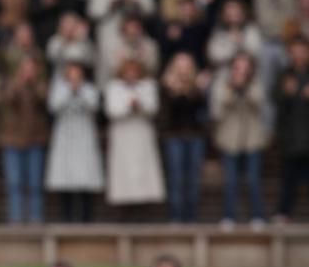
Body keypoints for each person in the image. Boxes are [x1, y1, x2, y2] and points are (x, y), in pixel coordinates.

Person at [273, 38, 309, 226]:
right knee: (288, 179)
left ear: (308, 52)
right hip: (290, 136)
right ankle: (284, 212)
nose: (299, 55)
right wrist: (286, 92)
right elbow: (274, 95)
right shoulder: (284, 75)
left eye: (302, 50)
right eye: (295, 51)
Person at [210, 53, 269, 228]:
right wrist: (233, 90)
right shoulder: (222, 83)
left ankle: (258, 216)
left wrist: (245, 88)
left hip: (252, 139)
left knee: (253, 179)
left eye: (245, 67)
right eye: (238, 67)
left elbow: (260, 103)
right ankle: (229, 216)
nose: (241, 71)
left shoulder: (257, 83)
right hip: (229, 139)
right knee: (230, 180)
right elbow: (217, 109)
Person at [105, 58, 166, 213]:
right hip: (122, 134)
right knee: (123, 173)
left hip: (141, 133)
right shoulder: (114, 87)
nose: (131, 74)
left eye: (134, 71)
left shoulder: (148, 86)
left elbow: (152, 108)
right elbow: (111, 110)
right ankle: (125, 210)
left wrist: (139, 105)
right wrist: (128, 105)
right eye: (128, 71)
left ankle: (143, 210)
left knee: (143, 172)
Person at [45, 61, 103, 223]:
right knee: (65, 180)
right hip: (65, 138)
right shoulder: (59, 89)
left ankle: (86, 218)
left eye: (77, 75)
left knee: (86, 179)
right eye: (71, 75)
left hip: (84, 138)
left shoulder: (89, 89)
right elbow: (54, 106)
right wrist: (70, 91)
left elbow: (94, 105)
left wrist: (79, 91)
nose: (74, 78)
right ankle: (67, 218)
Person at [159, 53, 210, 223]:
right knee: (176, 178)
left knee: (193, 179)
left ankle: (191, 217)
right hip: (174, 137)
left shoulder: (198, 87)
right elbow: (169, 113)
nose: (184, 69)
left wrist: (198, 90)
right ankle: (176, 217)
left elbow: (201, 111)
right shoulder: (166, 86)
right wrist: (174, 92)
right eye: (180, 65)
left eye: (187, 65)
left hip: (195, 137)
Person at [0, 55, 49, 224]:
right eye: (25, 68)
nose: (28, 72)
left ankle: (36, 218)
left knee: (35, 184)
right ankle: (16, 218)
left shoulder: (41, 85)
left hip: (35, 140)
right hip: (13, 141)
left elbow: (45, 101)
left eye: (31, 69)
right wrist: (19, 83)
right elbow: (8, 99)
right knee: (14, 183)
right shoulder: (11, 84)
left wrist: (33, 84)